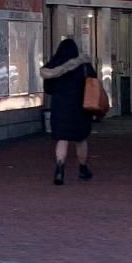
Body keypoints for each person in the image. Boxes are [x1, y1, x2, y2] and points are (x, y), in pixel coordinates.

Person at [40, 37, 98, 184]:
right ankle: (83, 169)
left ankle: (59, 169)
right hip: (81, 108)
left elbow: (48, 89)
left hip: (60, 108)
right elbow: (93, 85)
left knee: (62, 139)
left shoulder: (53, 66)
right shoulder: (84, 66)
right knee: (80, 139)